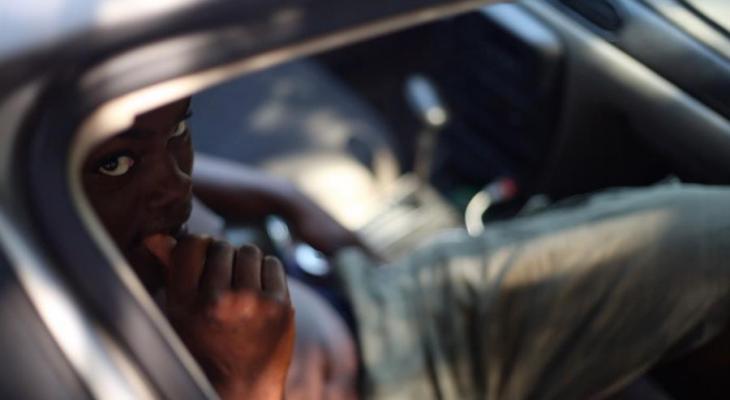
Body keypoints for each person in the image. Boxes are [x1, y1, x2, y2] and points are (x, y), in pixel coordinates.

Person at [82, 98, 730, 399]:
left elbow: (154, 143)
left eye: (183, 131)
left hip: (385, 301)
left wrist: (286, 197)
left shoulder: (117, 191)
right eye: (116, 163)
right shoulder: (40, 339)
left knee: (713, 231)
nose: (177, 188)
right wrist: (245, 383)